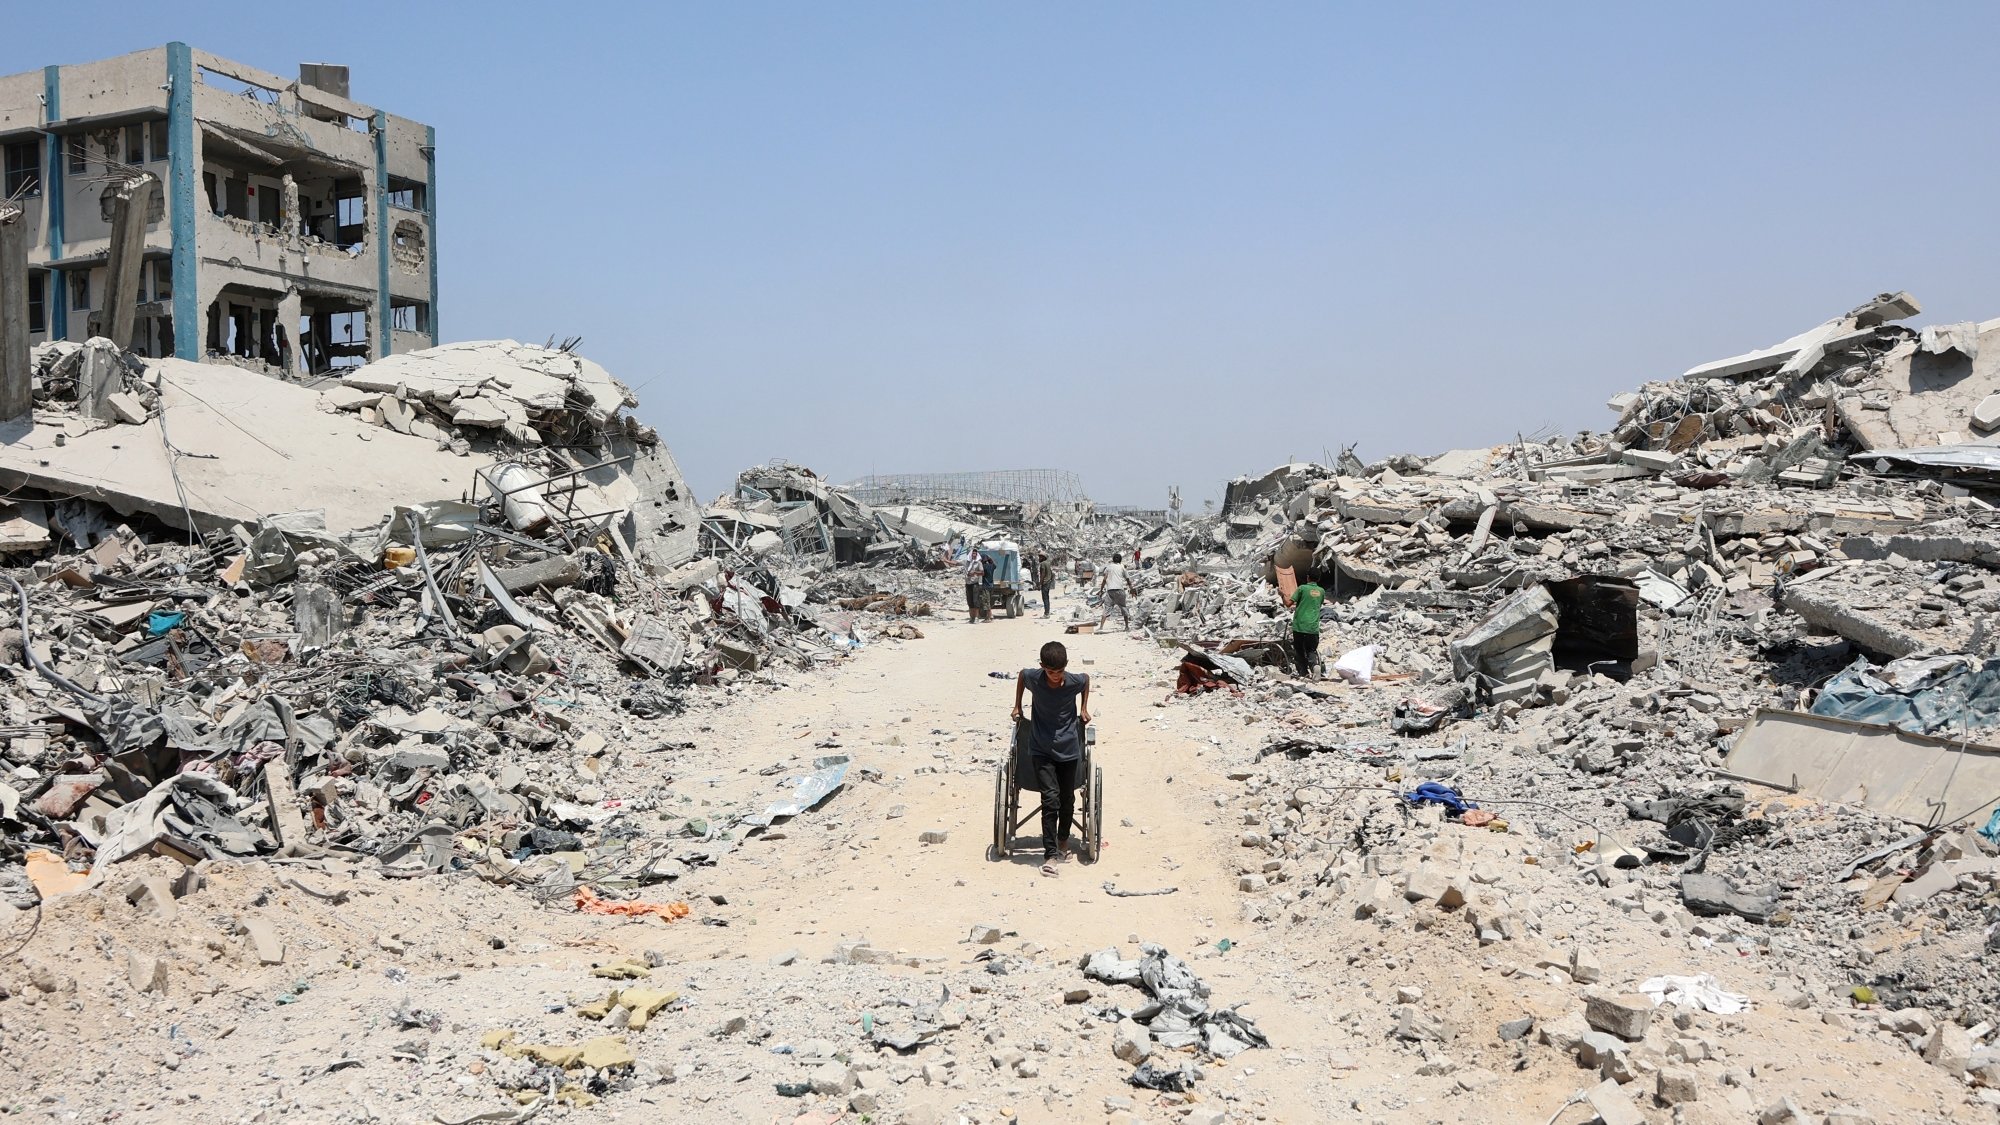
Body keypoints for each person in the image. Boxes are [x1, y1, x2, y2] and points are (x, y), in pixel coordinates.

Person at [1011, 641, 1091, 877]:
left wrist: (1084, 708)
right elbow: (1021, 676)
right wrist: (1017, 706)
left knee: (1067, 798)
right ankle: (1050, 854)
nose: (1055, 677)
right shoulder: (1034, 678)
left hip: (1068, 748)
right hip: (1040, 748)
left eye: (1059, 672)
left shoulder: (1074, 682)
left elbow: (1086, 679)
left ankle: (1063, 840)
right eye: (1050, 672)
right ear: (1042, 667)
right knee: (1051, 798)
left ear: (1065, 667)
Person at [1283, 574, 1327, 678]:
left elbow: (1288, 604)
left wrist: (1282, 594)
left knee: (1299, 650)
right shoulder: (1321, 591)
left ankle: (1303, 672)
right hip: (1313, 627)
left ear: (1308, 577)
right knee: (1311, 650)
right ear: (1318, 579)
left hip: (1300, 626)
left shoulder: (1302, 588)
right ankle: (1314, 666)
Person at [1097, 552, 1131, 631]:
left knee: (1107, 608)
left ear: (1113, 560)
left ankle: (1101, 627)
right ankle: (1126, 627)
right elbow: (1128, 579)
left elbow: (1104, 580)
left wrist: (1101, 590)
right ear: (1120, 560)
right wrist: (1131, 589)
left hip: (1110, 591)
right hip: (1120, 590)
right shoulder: (1122, 568)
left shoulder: (1108, 567)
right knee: (1123, 607)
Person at [962, 547, 986, 623]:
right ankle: (971, 618)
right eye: (973, 553)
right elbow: (956, 563)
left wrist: (975, 572)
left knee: (976, 601)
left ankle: (976, 617)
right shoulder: (966, 562)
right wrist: (946, 560)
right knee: (970, 601)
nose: (974, 555)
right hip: (968, 584)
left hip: (975, 584)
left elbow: (982, 572)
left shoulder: (978, 563)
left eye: (975, 553)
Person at [1034, 552, 1055, 617]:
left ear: (1043, 557)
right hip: (1048, 582)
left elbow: (1042, 574)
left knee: (1045, 598)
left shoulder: (1042, 564)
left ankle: (1046, 614)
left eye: (1040, 557)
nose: (1039, 558)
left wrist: (1040, 584)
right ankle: (1047, 612)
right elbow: (1052, 574)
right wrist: (1050, 580)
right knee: (1047, 598)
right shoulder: (1048, 563)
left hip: (1045, 583)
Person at [979, 548, 997, 622]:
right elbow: (994, 564)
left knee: (986, 602)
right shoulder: (992, 566)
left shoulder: (984, 567)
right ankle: (989, 616)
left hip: (985, 586)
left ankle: (989, 617)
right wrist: (989, 558)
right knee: (988, 601)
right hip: (991, 586)